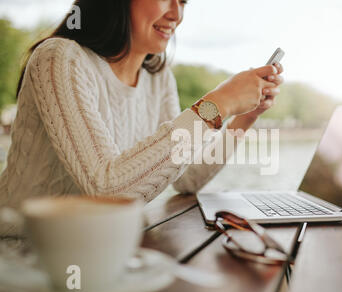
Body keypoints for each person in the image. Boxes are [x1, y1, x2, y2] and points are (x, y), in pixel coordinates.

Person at [0, 0, 284, 211]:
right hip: (21, 255)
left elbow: (187, 179)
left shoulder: (158, 78)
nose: (176, 14)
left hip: (100, 252)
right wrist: (218, 103)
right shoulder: (59, 59)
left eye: (183, 1)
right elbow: (108, 192)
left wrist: (244, 118)